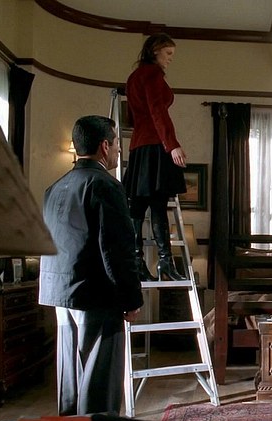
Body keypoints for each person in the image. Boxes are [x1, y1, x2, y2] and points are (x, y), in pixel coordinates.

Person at [39, 115, 143, 415]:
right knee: (99, 382)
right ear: (105, 146)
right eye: (117, 143)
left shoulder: (53, 188)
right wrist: (131, 299)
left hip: (59, 292)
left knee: (70, 378)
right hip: (96, 294)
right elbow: (117, 250)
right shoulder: (106, 185)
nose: (119, 150)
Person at [123, 32, 187, 281]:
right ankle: (165, 263)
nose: (171, 58)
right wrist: (172, 145)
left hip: (138, 147)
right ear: (155, 51)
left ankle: (137, 263)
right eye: (168, 53)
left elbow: (133, 116)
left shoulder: (134, 77)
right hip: (154, 145)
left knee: (137, 207)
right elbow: (158, 111)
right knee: (158, 206)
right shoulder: (152, 74)